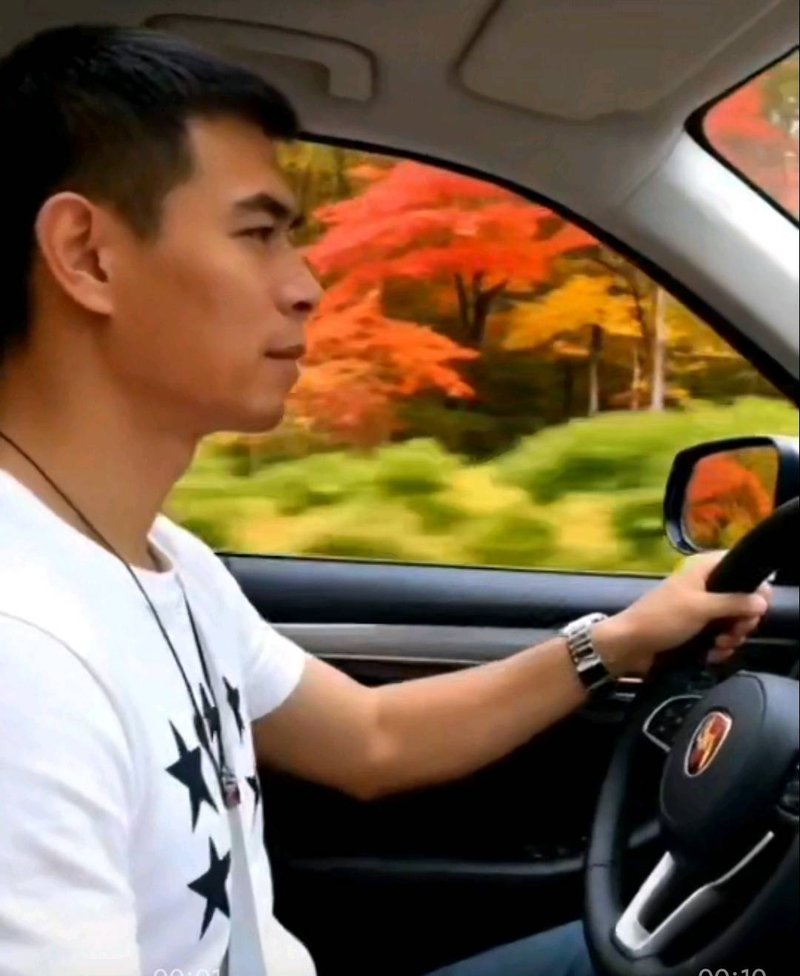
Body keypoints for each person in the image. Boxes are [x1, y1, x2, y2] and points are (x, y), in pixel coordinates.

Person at [0, 24, 771, 976]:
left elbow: (371, 740)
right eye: (257, 233)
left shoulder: (159, 558)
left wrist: (617, 641)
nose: (307, 286)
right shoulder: (22, 652)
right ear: (88, 256)